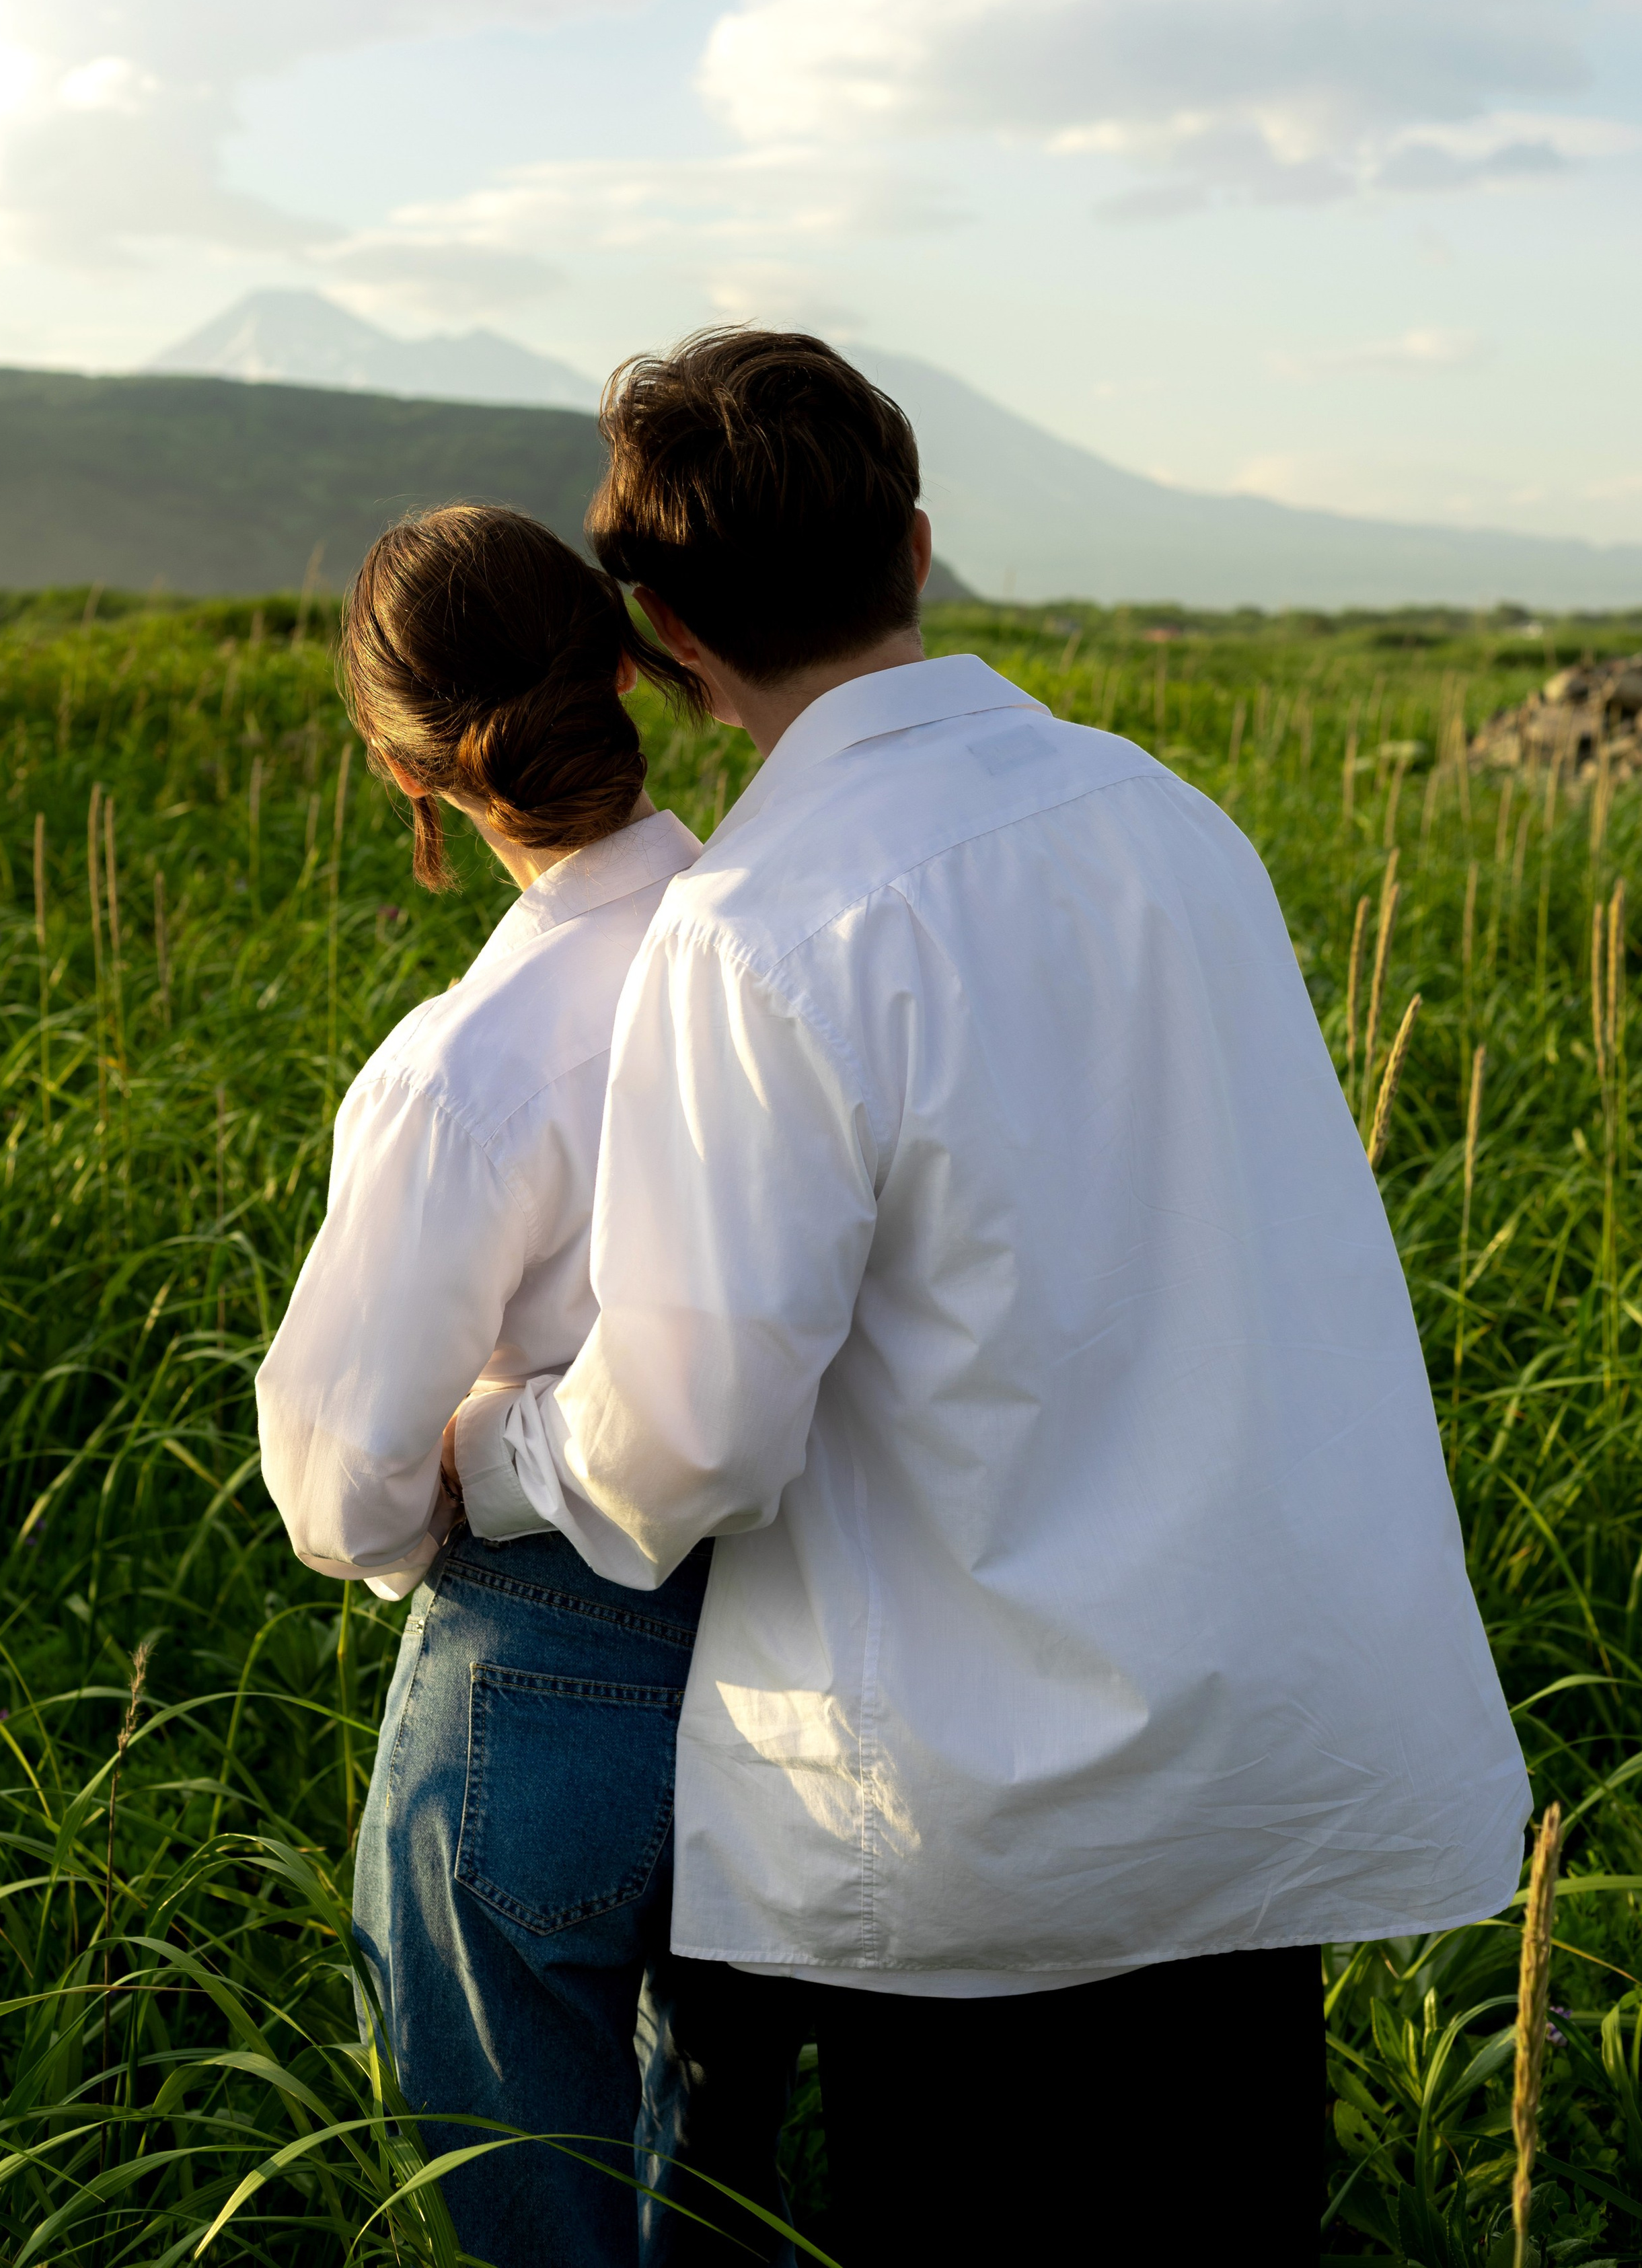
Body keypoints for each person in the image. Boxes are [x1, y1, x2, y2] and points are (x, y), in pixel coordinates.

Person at [459, 331, 1534, 2265]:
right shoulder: (1167, 821)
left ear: (669, 642)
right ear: (924, 547)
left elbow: (688, 1436)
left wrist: (497, 1452)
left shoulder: (760, 925)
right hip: (1255, 1770)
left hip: (984, 1850)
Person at [254, 503, 716, 2268]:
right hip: (806, 1631)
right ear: (624, 664)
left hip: (540, 1663)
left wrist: (454, 1465)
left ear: (407, 775)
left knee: (520, 2209)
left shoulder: (467, 1070)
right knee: (719, 2194)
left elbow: (340, 1478)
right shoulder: (794, 959)